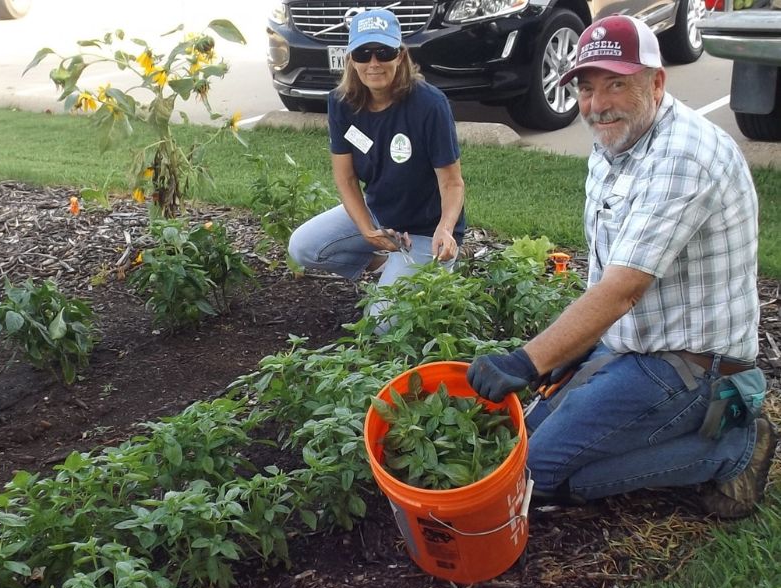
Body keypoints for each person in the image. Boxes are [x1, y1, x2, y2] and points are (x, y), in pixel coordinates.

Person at [467, 15, 776, 519]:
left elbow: (621, 290)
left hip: (695, 367)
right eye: (587, 88)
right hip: (633, 347)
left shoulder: (684, 156)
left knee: (534, 474)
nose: (598, 103)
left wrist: (525, 362)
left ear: (656, 82)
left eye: (616, 83)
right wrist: (575, 349)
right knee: (527, 433)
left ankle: (732, 447)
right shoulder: (614, 144)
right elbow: (608, 271)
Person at [287, 8, 466, 319]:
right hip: (380, 212)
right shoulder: (341, 102)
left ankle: (433, 267)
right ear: (351, 59)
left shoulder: (430, 104)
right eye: (363, 53)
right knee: (303, 247)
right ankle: (388, 267)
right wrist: (369, 230)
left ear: (400, 55)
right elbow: (345, 179)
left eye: (383, 52)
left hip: (427, 228)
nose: (373, 63)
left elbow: (452, 183)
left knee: (381, 325)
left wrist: (445, 229)